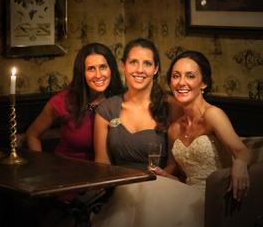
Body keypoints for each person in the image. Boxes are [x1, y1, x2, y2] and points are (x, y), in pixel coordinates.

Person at [91, 39, 204, 227]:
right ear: (123, 66)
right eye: (133, 62)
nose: (140, 70)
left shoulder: (172, 107)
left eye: (147, 64)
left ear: (156, 68)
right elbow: (101, 159)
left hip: (160, 186)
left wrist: (151, 179)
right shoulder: (107, 109)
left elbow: (176, 162)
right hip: (119, 190)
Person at [152, 50, 253, 201]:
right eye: (176, 76)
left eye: (190, 76)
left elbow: (243, 151)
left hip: (218, 197)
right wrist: (160, 174)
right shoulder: (174, 129)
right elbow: (178, 172)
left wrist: (240, 163)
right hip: (186, 195)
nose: (181, 82)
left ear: (204, 83)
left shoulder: (213, 115)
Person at [26, 43, 125, 160]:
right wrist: (40, 165)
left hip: (111, 172)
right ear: (82, 73)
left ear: (111, 69)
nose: (98, 75)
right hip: (69, 172)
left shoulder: (122, 100)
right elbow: (32, 134)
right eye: (91, 69)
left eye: (103, 67)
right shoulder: (63, 101)